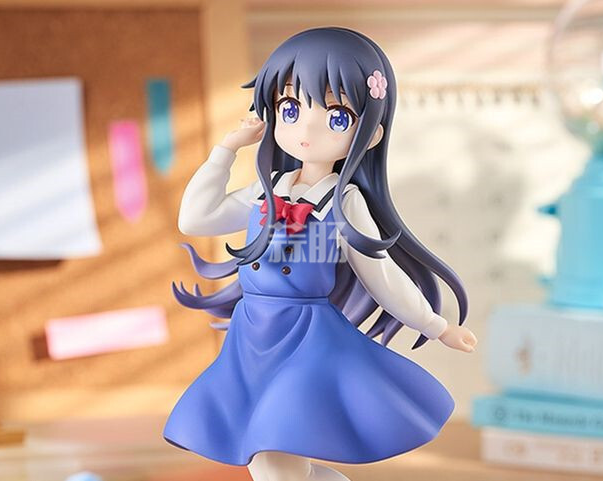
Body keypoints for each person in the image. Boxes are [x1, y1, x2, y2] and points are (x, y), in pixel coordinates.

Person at [164, 27, 478, 481]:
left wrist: (436, 325)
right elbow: (196, 218)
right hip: (253, 339)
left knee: (276, 454)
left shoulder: (343, 202)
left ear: (370, 134)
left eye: (336, 116)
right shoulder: (266, 191)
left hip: (307, 340)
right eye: (290, 109)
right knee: (265, 460)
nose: (306, 129)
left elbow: (381, 275)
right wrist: (225, 150)